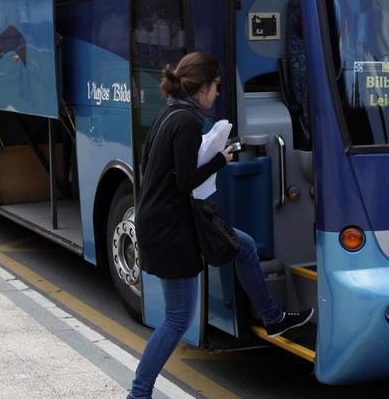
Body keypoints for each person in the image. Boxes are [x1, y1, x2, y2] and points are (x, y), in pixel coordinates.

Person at [129, 51, 312, 399]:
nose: (217, 94)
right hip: (172, 229)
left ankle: (273, 319)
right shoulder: (185, 122)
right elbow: (185, 180)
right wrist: (220, 159)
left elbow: (154, 166)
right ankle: (138, 393)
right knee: (176, 320)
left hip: (167, 220)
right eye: (216, 87)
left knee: (241, 246)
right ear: (201, 88)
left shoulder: (169, 114)